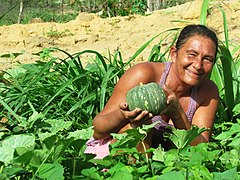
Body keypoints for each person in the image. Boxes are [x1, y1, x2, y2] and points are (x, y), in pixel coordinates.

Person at [85, 24, 219, 159]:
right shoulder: (143, 74)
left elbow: (202, 148)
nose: (198, 65)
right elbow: (97, 131)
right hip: (113, 155)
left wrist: (177, 113)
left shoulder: (208, 92)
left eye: (207, 59)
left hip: (164, 164)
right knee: (140, 127)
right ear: (173, 54)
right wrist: (123, 114)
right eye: (191, 55)